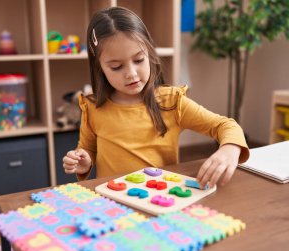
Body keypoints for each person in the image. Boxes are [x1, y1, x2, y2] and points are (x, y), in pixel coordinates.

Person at [63, 6, 249, 189]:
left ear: (150, 53)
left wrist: (229, 149)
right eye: (116, 67)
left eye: (138, 60)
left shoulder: (172, 102)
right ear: (100, 68)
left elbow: (225, 125)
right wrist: (84, 160)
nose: (131, 73)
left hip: (159, 200)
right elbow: (88, 148)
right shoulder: (93, 106)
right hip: (112, 202)